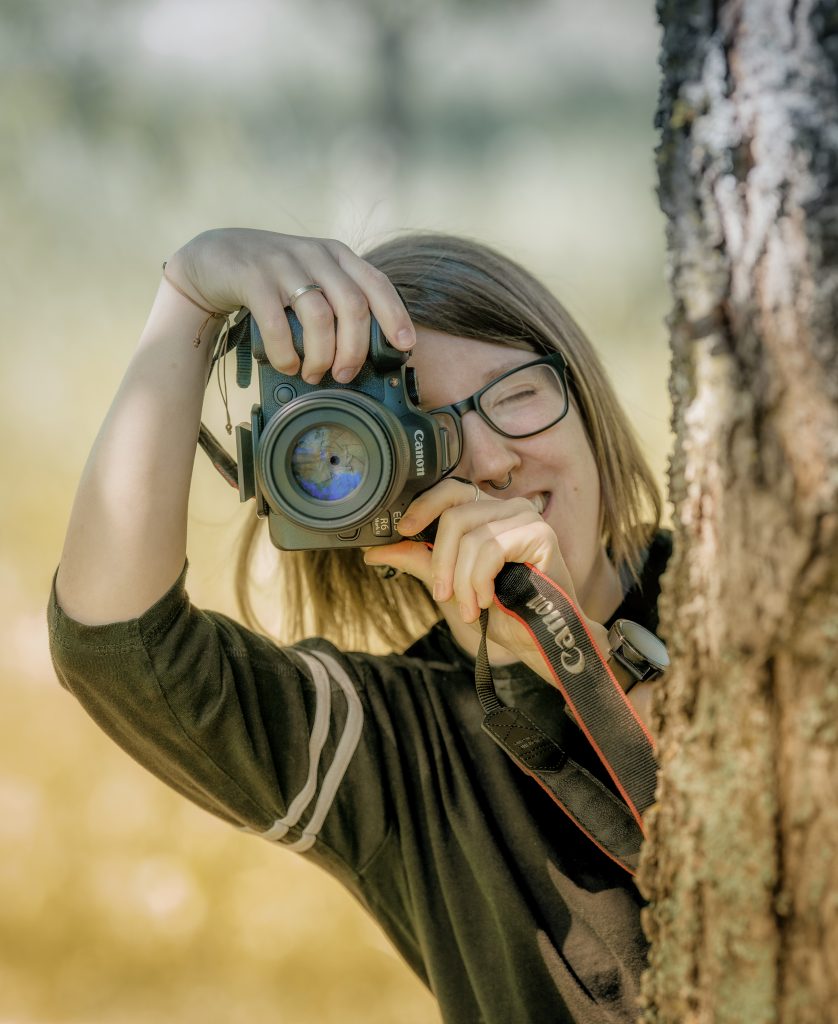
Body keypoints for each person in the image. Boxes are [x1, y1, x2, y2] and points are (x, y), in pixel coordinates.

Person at [48, 227, 670, 1024]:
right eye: (424, 434)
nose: (488, 461)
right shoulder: (396, 747)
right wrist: (189, 301)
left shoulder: (755, 591)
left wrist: (575, 656)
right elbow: (117, 648)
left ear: (581, 394)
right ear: (358, 492)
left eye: (516, 394)